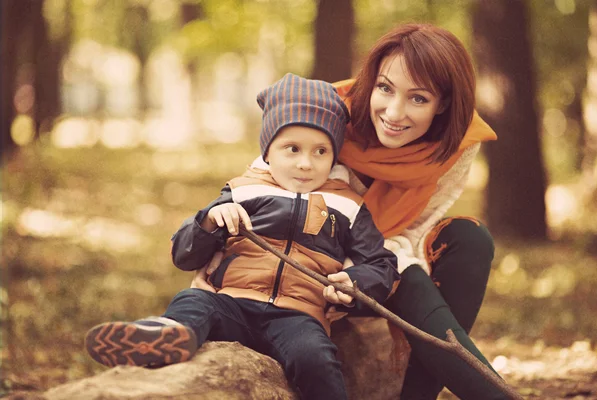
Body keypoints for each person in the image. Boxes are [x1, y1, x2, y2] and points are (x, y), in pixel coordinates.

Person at [193, 24, 509, 399]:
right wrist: (213, 264)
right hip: (303, 272)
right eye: (385, 88)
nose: (394, 112)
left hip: (371, 269)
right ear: (370, 80)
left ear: (442, 104)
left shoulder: (455, 142)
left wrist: (362, 273)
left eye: (418, 99)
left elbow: (411, 231)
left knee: (468, 239)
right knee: (406, 277)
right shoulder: (324, 111)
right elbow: (259, 189)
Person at [84, 73, 401, 400]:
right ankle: (164, 339)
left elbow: (381, 263)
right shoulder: (243, 191)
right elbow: (183, 254)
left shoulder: (347, 205)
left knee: (316, 359)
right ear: (268, 150)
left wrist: (354, 281)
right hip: (231, 302)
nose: (306, 163)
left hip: (298, 316)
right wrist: (208, 223)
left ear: (334, 155)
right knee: (194, 302)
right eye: (292, 149)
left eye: (321, 151)